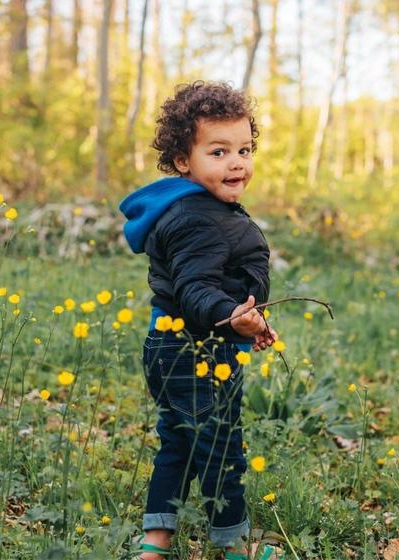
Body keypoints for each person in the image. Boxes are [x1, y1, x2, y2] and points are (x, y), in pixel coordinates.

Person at [119, 80, 279, 560]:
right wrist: (231, 315)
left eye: (245, 149)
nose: (237, 162)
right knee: (220, 449)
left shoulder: (196, 208)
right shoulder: (198, 218)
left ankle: (155, 544)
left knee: (179, 443)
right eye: (219, 151)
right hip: (197, 353)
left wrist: (245, 318)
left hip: (172, 347)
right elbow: (195, 290)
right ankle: (233, 546)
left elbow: (213, 281)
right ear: (184, 161)